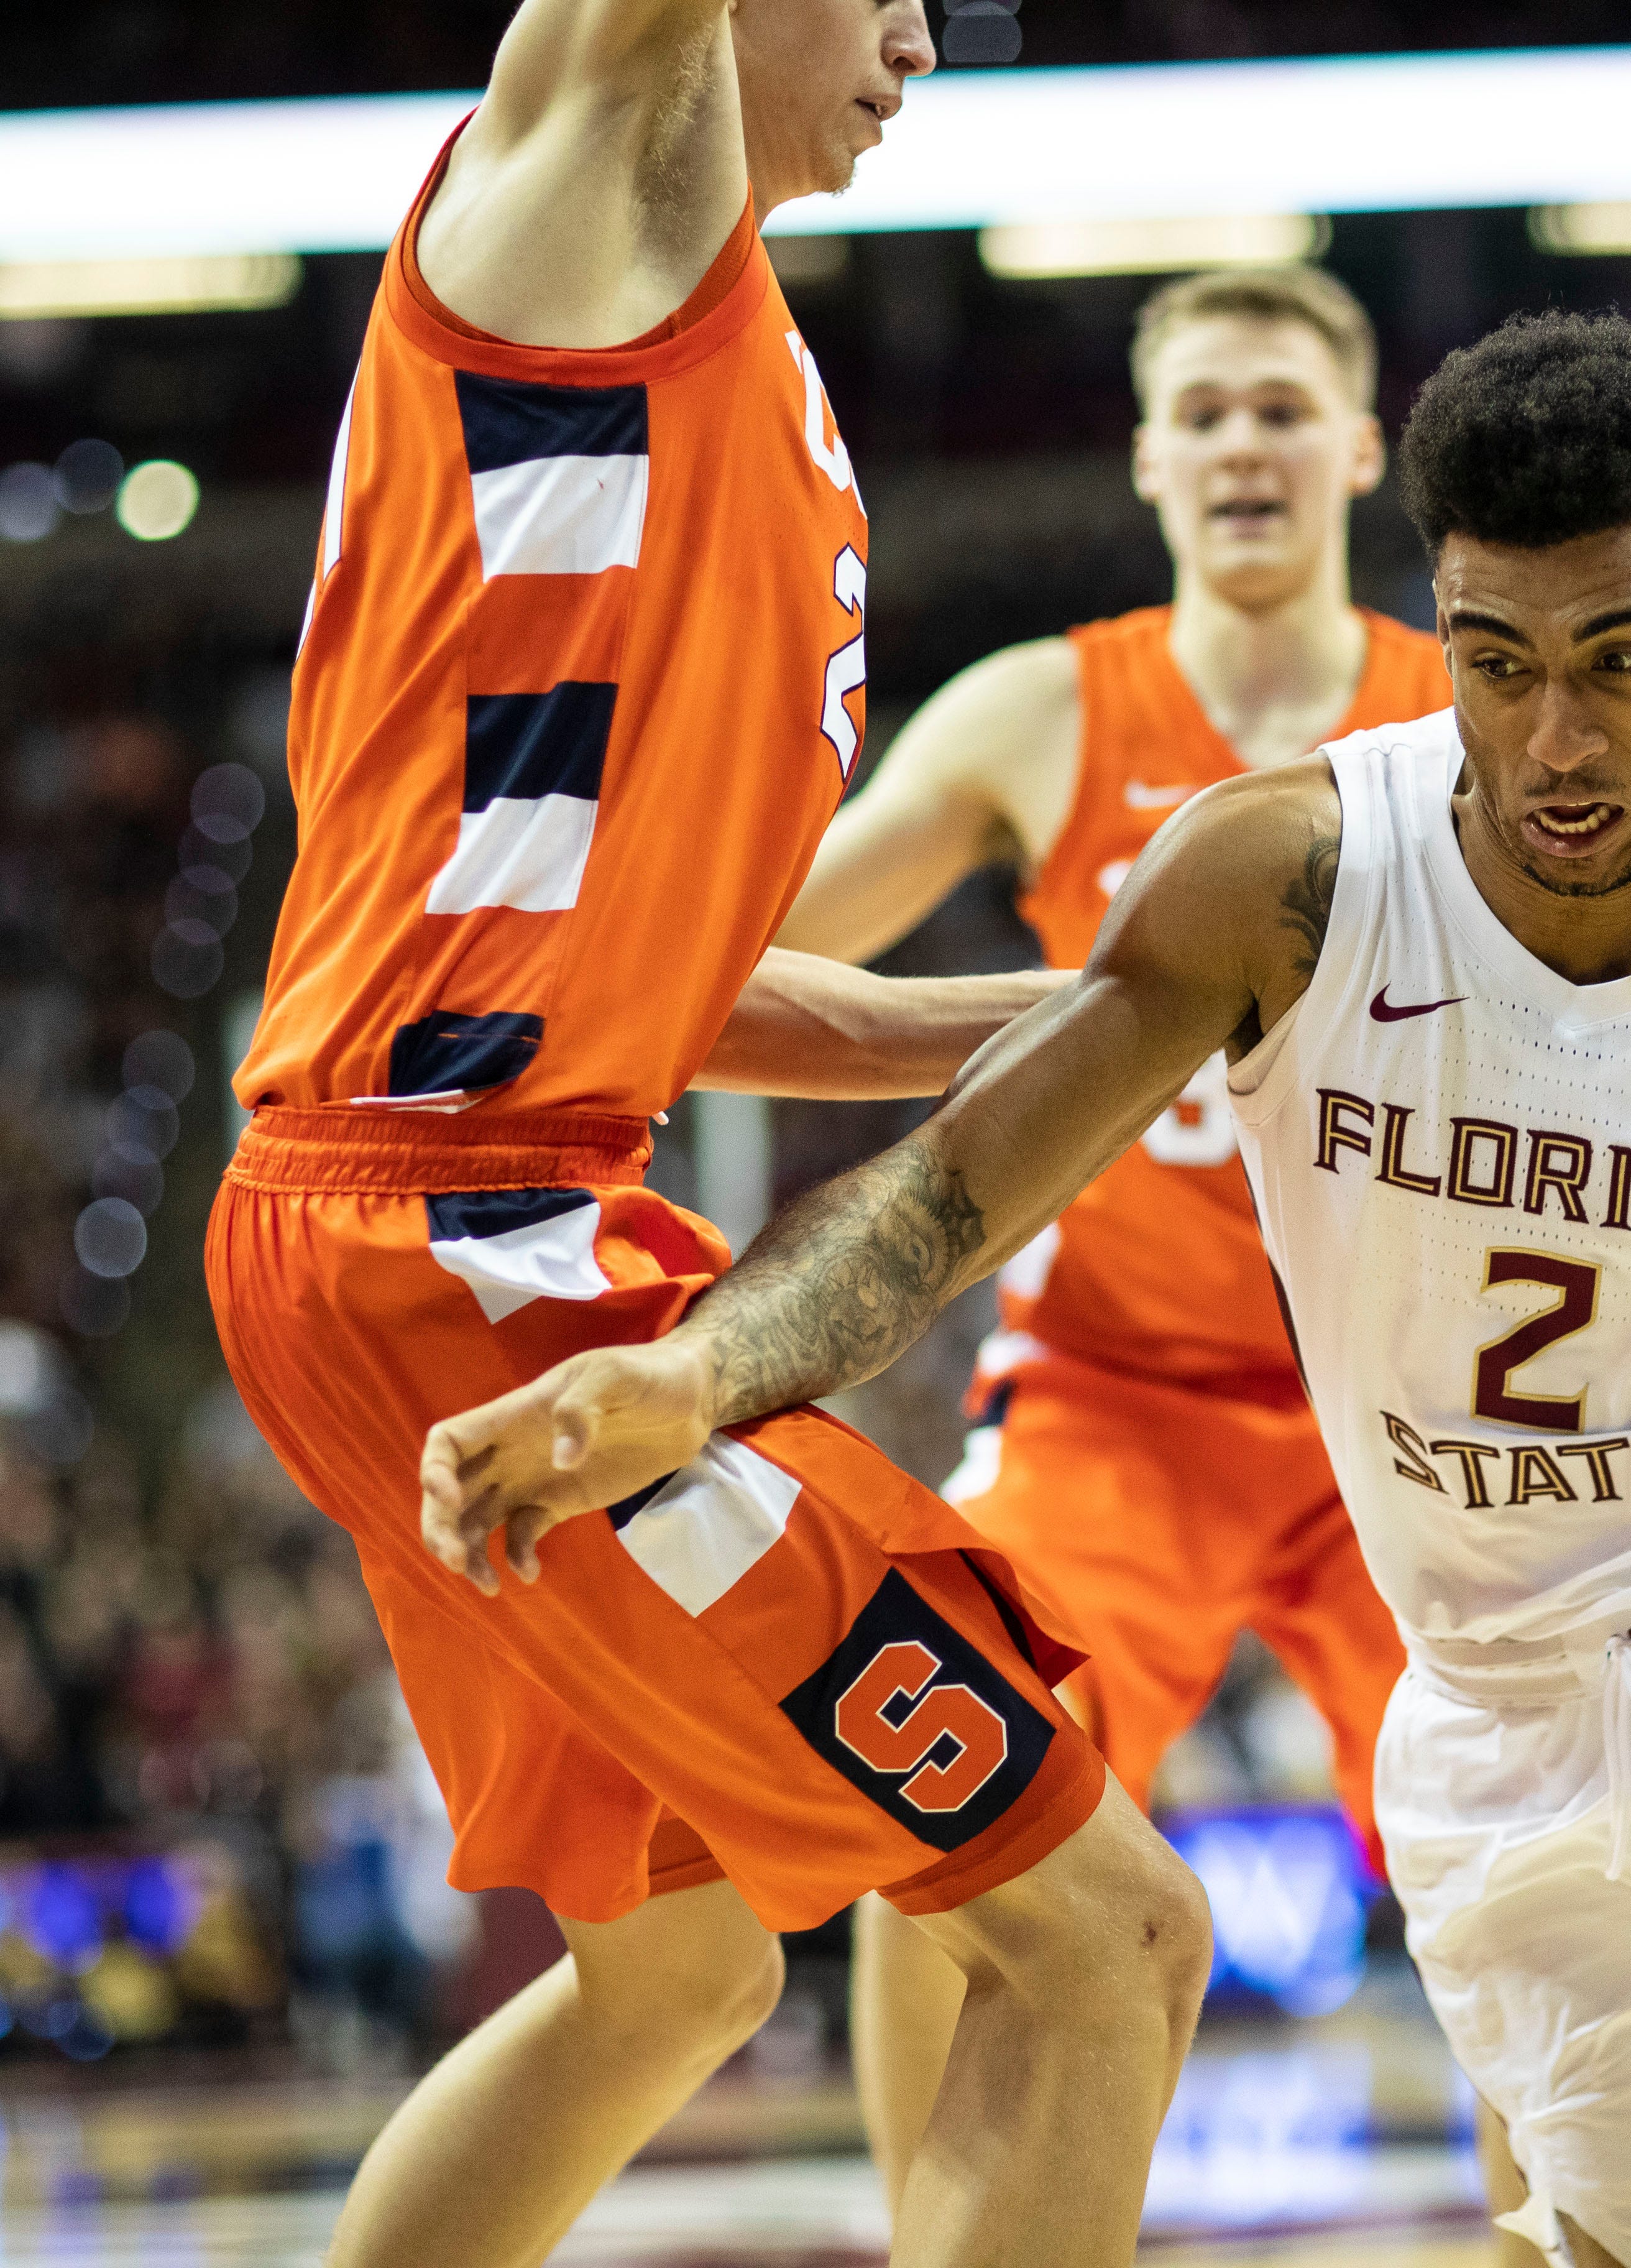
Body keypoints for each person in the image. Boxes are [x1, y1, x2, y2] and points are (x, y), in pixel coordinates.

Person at [418, 309, 1631, 2268]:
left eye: (1617, 661)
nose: (1553, 741)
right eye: (1497, 664)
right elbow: (940, 1201)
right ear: (1438, 625)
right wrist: (697, 1377)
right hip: (1492, 1700)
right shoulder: (1279, 874)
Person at [208, 7, 1210, 2266]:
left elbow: (672, 983)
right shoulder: (583, 212)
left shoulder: (726, 341)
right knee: (1113, 1941)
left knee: (679, 1969)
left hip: (435, 1212)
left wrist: (1094, 1010)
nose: (922, 38)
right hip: (463, 1253)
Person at [773, 262, 1450, 2202]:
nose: (1245, 442)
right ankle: (949, 2244)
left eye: (1279, 408)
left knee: (1528, 1849)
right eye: (1208, 411)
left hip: (1399, 1405)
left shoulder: (1450, 718)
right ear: (1150, 457)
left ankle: (1554, 2237)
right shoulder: (1042, 709)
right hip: (1110, 1397)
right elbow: (784, 944)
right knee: (953, 1806)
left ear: (1354, 448)